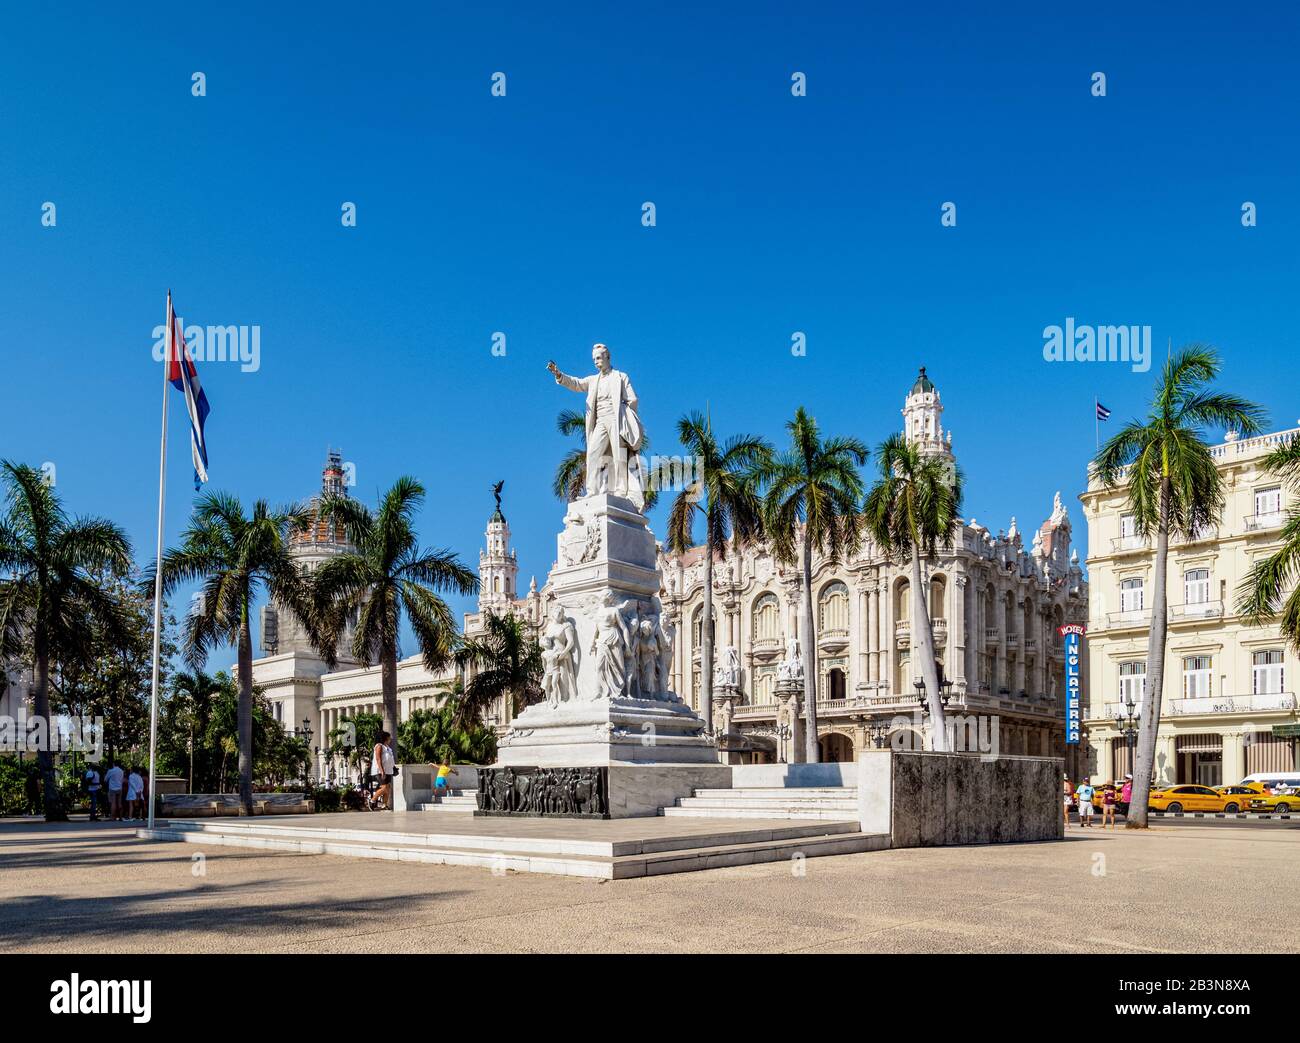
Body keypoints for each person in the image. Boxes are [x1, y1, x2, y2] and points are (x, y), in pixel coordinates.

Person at [371, 731, 395, 811]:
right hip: (380, 770)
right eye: (389, 737)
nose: (390, 738)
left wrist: (393, 767)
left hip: (388, 770)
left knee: (388, 788)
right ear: (385, 738)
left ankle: (384, 805)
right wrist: (382, 771)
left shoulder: (388, 747)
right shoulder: (379, 746)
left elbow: (390, 759)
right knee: (384, 787)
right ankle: (372, 800)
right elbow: (378, 759)